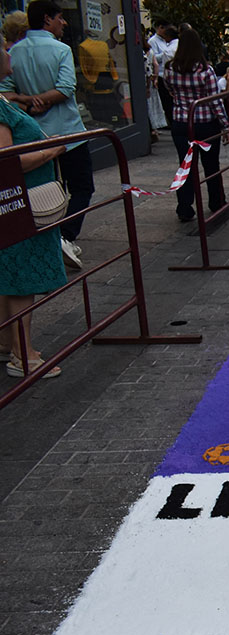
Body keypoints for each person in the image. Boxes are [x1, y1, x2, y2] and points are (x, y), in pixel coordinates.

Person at [0, 0, 92, 271]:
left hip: (34, 135)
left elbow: (7, 95)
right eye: (60, 18)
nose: (63, 23)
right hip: (67, 134)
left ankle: (54, 234)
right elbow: (66, 88)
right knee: (82, 187)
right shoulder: (61, 49)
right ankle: (63, 235)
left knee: (45, 190)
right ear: (48, 20)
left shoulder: (14, 52)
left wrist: (27, 100)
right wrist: (40, 99)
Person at [0, 32, 67, 378]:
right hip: (20, 204)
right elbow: (8, 160)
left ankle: (10, 345)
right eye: (2, 47)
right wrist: (53, 149)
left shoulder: (4, 98)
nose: (9, 52)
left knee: (11, 273)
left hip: (18, 202)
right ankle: (22, 355)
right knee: (21, 275)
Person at [160, 24, 229, 222]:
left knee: (185, 165)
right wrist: (225, 125)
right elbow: (214, 100)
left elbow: (169, 89)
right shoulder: (205, 71)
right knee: (211, 165)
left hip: (181, 123)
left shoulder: (170, 69)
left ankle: (184, 207)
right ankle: (216, 202)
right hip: (205, 123)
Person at [147, 20, 177, 124]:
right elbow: (153, 57)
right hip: (160, 73)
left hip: (168, 72)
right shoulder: (153, 41)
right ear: (160, 28)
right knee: (166, 101)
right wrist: (166, 54)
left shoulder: (165, 41)